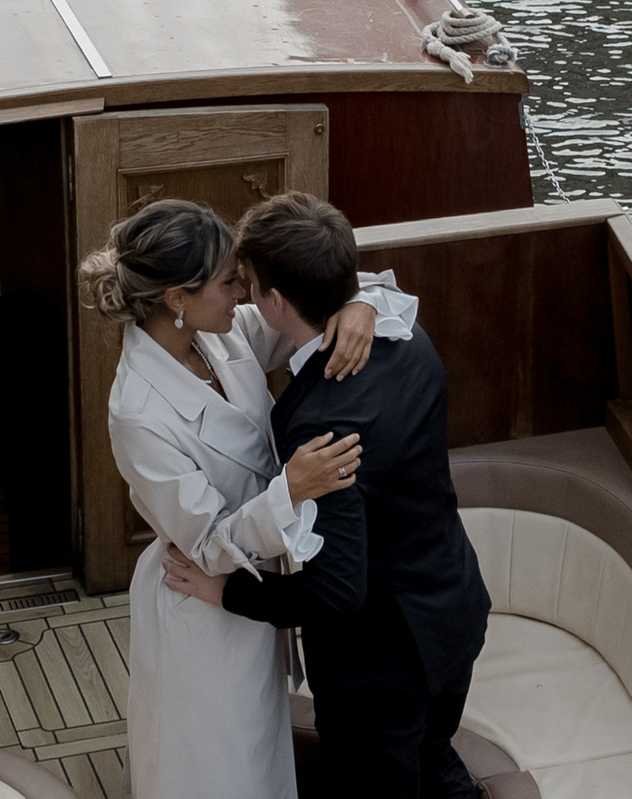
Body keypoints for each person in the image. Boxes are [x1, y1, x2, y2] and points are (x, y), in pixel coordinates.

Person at [78, 197, 419, 799]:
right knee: (216, 771)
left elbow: (317, 294)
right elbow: (208, 543)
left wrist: (362, 303)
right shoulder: (138, 415)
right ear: (177, 298)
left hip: (257, 594)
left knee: (259, 760)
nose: (242, 292)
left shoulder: (223, 331)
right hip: (201, 607)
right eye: (228, 281)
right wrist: (292, 490)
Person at [160, 192, 491, 799]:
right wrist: (362, 298)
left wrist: (224, 591)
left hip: (383, 668)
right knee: (435, 762)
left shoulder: (320, 425)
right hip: (454, 611)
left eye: (248, 284)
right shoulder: (406, 334)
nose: (241, 295)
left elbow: (336, 592)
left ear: (274, 301)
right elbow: (369, 293)